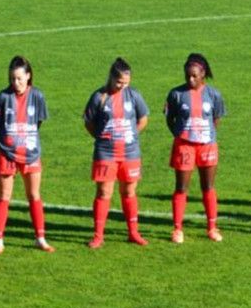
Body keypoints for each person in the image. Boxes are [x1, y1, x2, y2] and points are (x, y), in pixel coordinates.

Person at [83, 57, 149, 248]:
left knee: (129, 191)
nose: (122, 86)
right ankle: (98, 235)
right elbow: (88, 122)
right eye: (119, 82)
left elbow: (143, 118)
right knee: (104, 192)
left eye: (126, 83)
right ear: (111, 77)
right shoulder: (99, 97)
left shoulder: (134, 95)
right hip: (106, 153)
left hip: (130, 153)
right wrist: (101, 137)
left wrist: (132, 134)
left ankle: (133, 232)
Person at [0, 55, 54, 254]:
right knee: (4, 196)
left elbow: (38, 123)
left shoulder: (38, 96)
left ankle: (40, 238)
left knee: (34, 195)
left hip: (30, 153)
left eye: (19, 78)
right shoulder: (2, 97)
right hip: (7, 153)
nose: (15, 83)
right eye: (12, 79)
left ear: (28, 76)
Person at [164, 53, 226, 243]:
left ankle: (212, 227)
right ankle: (177, 229)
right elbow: (169, 118)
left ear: (203, 74)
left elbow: (216, 119)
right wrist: (180, 134)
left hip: (207, 146)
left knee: (208, 186)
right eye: (187, 76)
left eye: (194, 76)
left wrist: (205, 135)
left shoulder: (214, 94)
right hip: (184, 146)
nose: (190, 79)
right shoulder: (176, 94)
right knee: (181, 187)